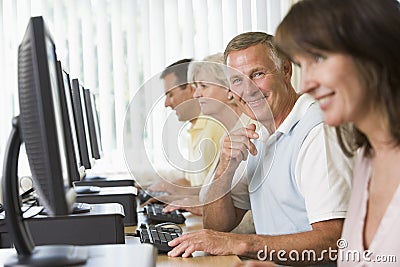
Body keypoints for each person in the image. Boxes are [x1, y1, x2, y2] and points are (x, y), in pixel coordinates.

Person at [167, 32, 354, 266]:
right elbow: (217, 225)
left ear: (286, 71)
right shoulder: (257, 131)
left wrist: (244, 245)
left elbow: (334, 240)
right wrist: (225, 167)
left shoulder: (317, 131)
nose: (248, 89)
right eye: (236, 80)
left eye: (257, 74)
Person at [272, 0, 400, 266]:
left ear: (373, 48)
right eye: (301, 64)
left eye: (318, 58)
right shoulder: (367, 156)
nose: (305, 84)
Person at [162, 54, 256, 234]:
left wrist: (206, 209)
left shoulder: (250, 135)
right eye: (196, 87)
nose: (196, 94)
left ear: (230, 90)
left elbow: (258, 214)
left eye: (203, 86)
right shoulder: (228, 137)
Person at [146, 59, 225, 196]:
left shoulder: (215, 127)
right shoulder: (195, 128)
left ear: (190, 88)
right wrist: (158, 189)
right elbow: (192, 183)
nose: (166, 103)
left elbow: (218, 191)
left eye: (170, 94)